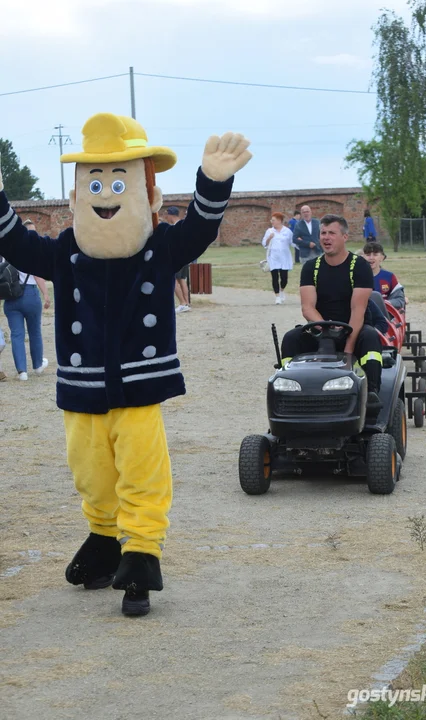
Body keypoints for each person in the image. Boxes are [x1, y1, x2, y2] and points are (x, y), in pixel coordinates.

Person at [0, 112, 252, 617]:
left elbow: (199, 229)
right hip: (83, 387)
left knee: (142, 473)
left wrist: (214, 183)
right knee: (90, 473)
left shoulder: (157, 249)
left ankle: (140, 555)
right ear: (75, 195)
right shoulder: (66, 250)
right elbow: (15, 245)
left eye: (119, 181)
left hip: (139, 388)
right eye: (94, 181)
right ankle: (102, 540)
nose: (106, 192)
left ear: (147, 192)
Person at [281, 214, 383, 408]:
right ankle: (289, 389)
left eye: (332, 233)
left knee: (370, 337)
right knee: (291, 338)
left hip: (354, 328)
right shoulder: (311, 267)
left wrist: (348, 349)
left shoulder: (359, 266)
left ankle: (372, 392)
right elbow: (307, 307)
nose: (326, 238)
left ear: (344, 237)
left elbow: (358, 310)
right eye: (323, 233)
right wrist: (325, 332)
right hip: (321, 329)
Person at [3, 220, 50, 381]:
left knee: (17, 335)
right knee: (35, 332)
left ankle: (22, 372)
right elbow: (38, 275)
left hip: (10, 298)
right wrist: (46, 294)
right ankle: (37, 366)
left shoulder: (6, 250)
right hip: (30, 294)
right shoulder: (31, 250)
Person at [262, 212, 294, 305]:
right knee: (275, 277)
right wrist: (269, 238)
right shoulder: (269, 231)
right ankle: (277, 297)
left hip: (284, 257)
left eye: (273, 220)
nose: (272, 222)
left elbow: (292, 242)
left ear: (279, 220)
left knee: (284, 278)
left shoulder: (287, 231)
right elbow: (264, 243)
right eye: (271, 220)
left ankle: (281, 290)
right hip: (273, 257)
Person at [363, 241, 406, 310]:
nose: (371, 257)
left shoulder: (389, 277)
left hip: (384, 316)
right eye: (368, 255)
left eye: (375, 254)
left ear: (382, 257)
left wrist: (382, 303)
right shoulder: (355, 276)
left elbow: (400, 300)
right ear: (362, 257)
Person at [166, 207, 191, 313]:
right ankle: (187, 303)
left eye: (166, 214)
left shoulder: (175, 227)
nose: (165, 217)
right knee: (182, 280)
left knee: (174, 280)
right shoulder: (183, 224)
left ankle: (182, 303)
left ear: (170, 215)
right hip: (185, 257)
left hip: (177, 257)